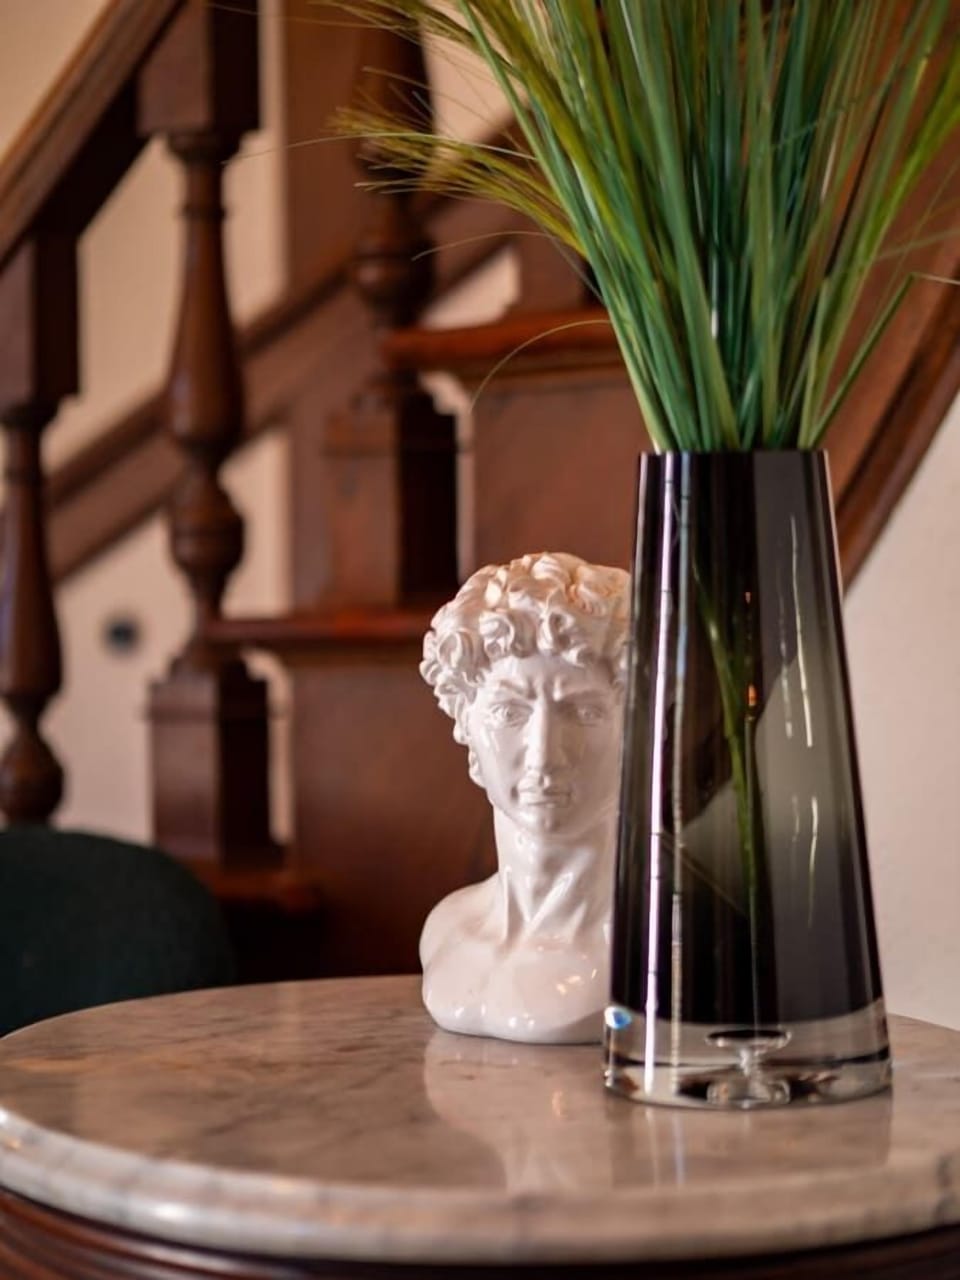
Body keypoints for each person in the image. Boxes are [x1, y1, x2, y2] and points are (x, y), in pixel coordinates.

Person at [419, 551, 630, 1044]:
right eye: (509, 713)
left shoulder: (651, 952)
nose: (544, 754)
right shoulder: (449, 927)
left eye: (583, 712)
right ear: (465, 721)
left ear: (638, 729)